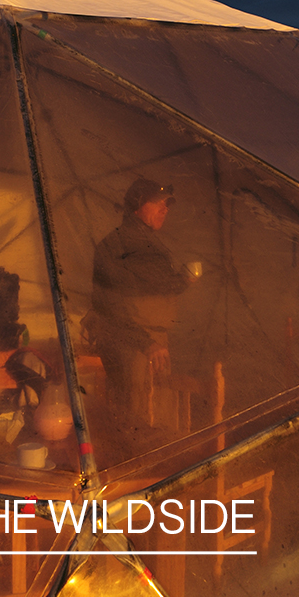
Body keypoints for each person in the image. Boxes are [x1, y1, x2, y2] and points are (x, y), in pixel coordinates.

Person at [89, 178, 193, 425]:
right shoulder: (118, 245)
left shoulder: (148, 244)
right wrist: (145, 343)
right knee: (139, 417)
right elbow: (109, 306)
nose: (164, 209)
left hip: (154, 343)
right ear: (136, 207)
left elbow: (155, 286)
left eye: (167, 205)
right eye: (157, 203)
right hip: (135, 346)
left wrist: (183, 280)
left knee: (159, 413)